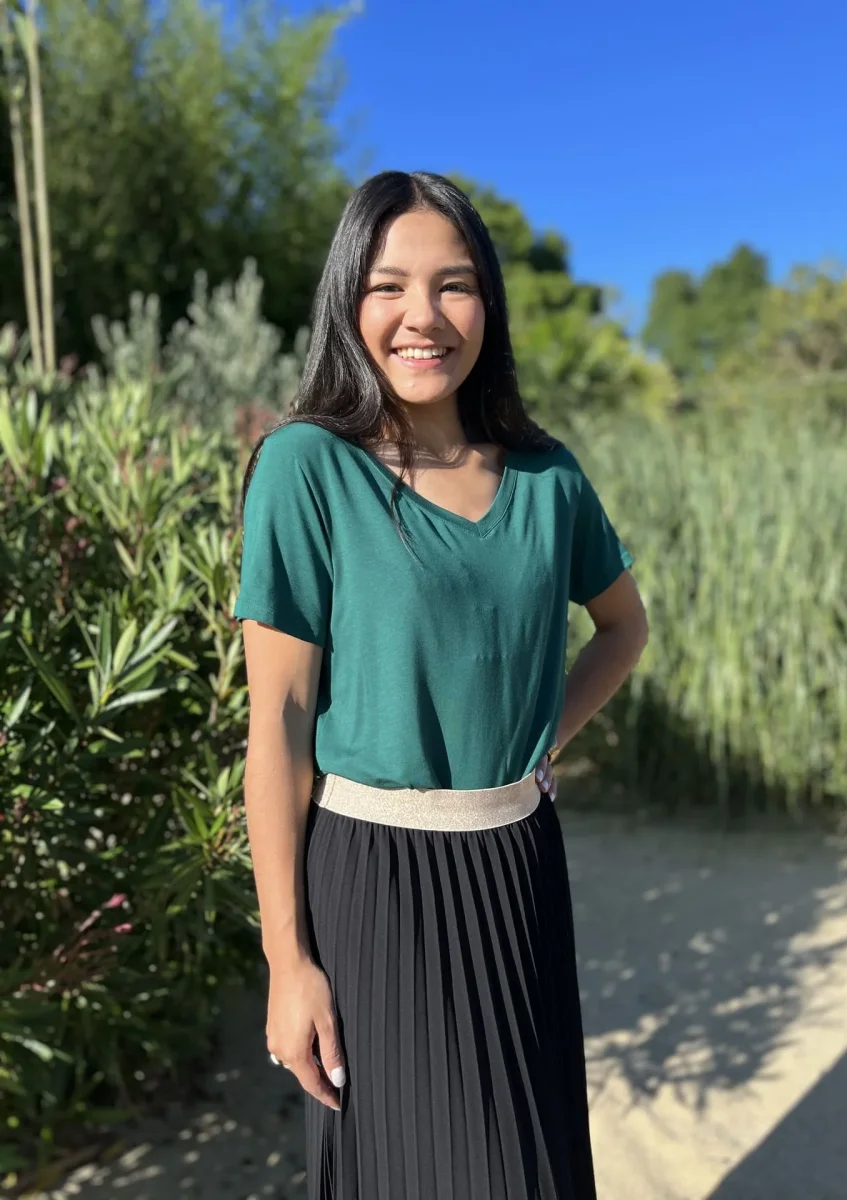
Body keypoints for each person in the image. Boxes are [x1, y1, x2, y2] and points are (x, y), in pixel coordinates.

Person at [234, 170, 648, 1200]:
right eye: (388, 286)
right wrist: (288, 962)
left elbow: (624, 628)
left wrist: (537, 736)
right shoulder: (307, 468)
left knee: (533, 1166)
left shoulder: (548, 478)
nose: (422, 316)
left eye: (453, 284)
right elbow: (279, 723)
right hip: (371, 882)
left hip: (519, 866)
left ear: (488, 305)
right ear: (349, 300)